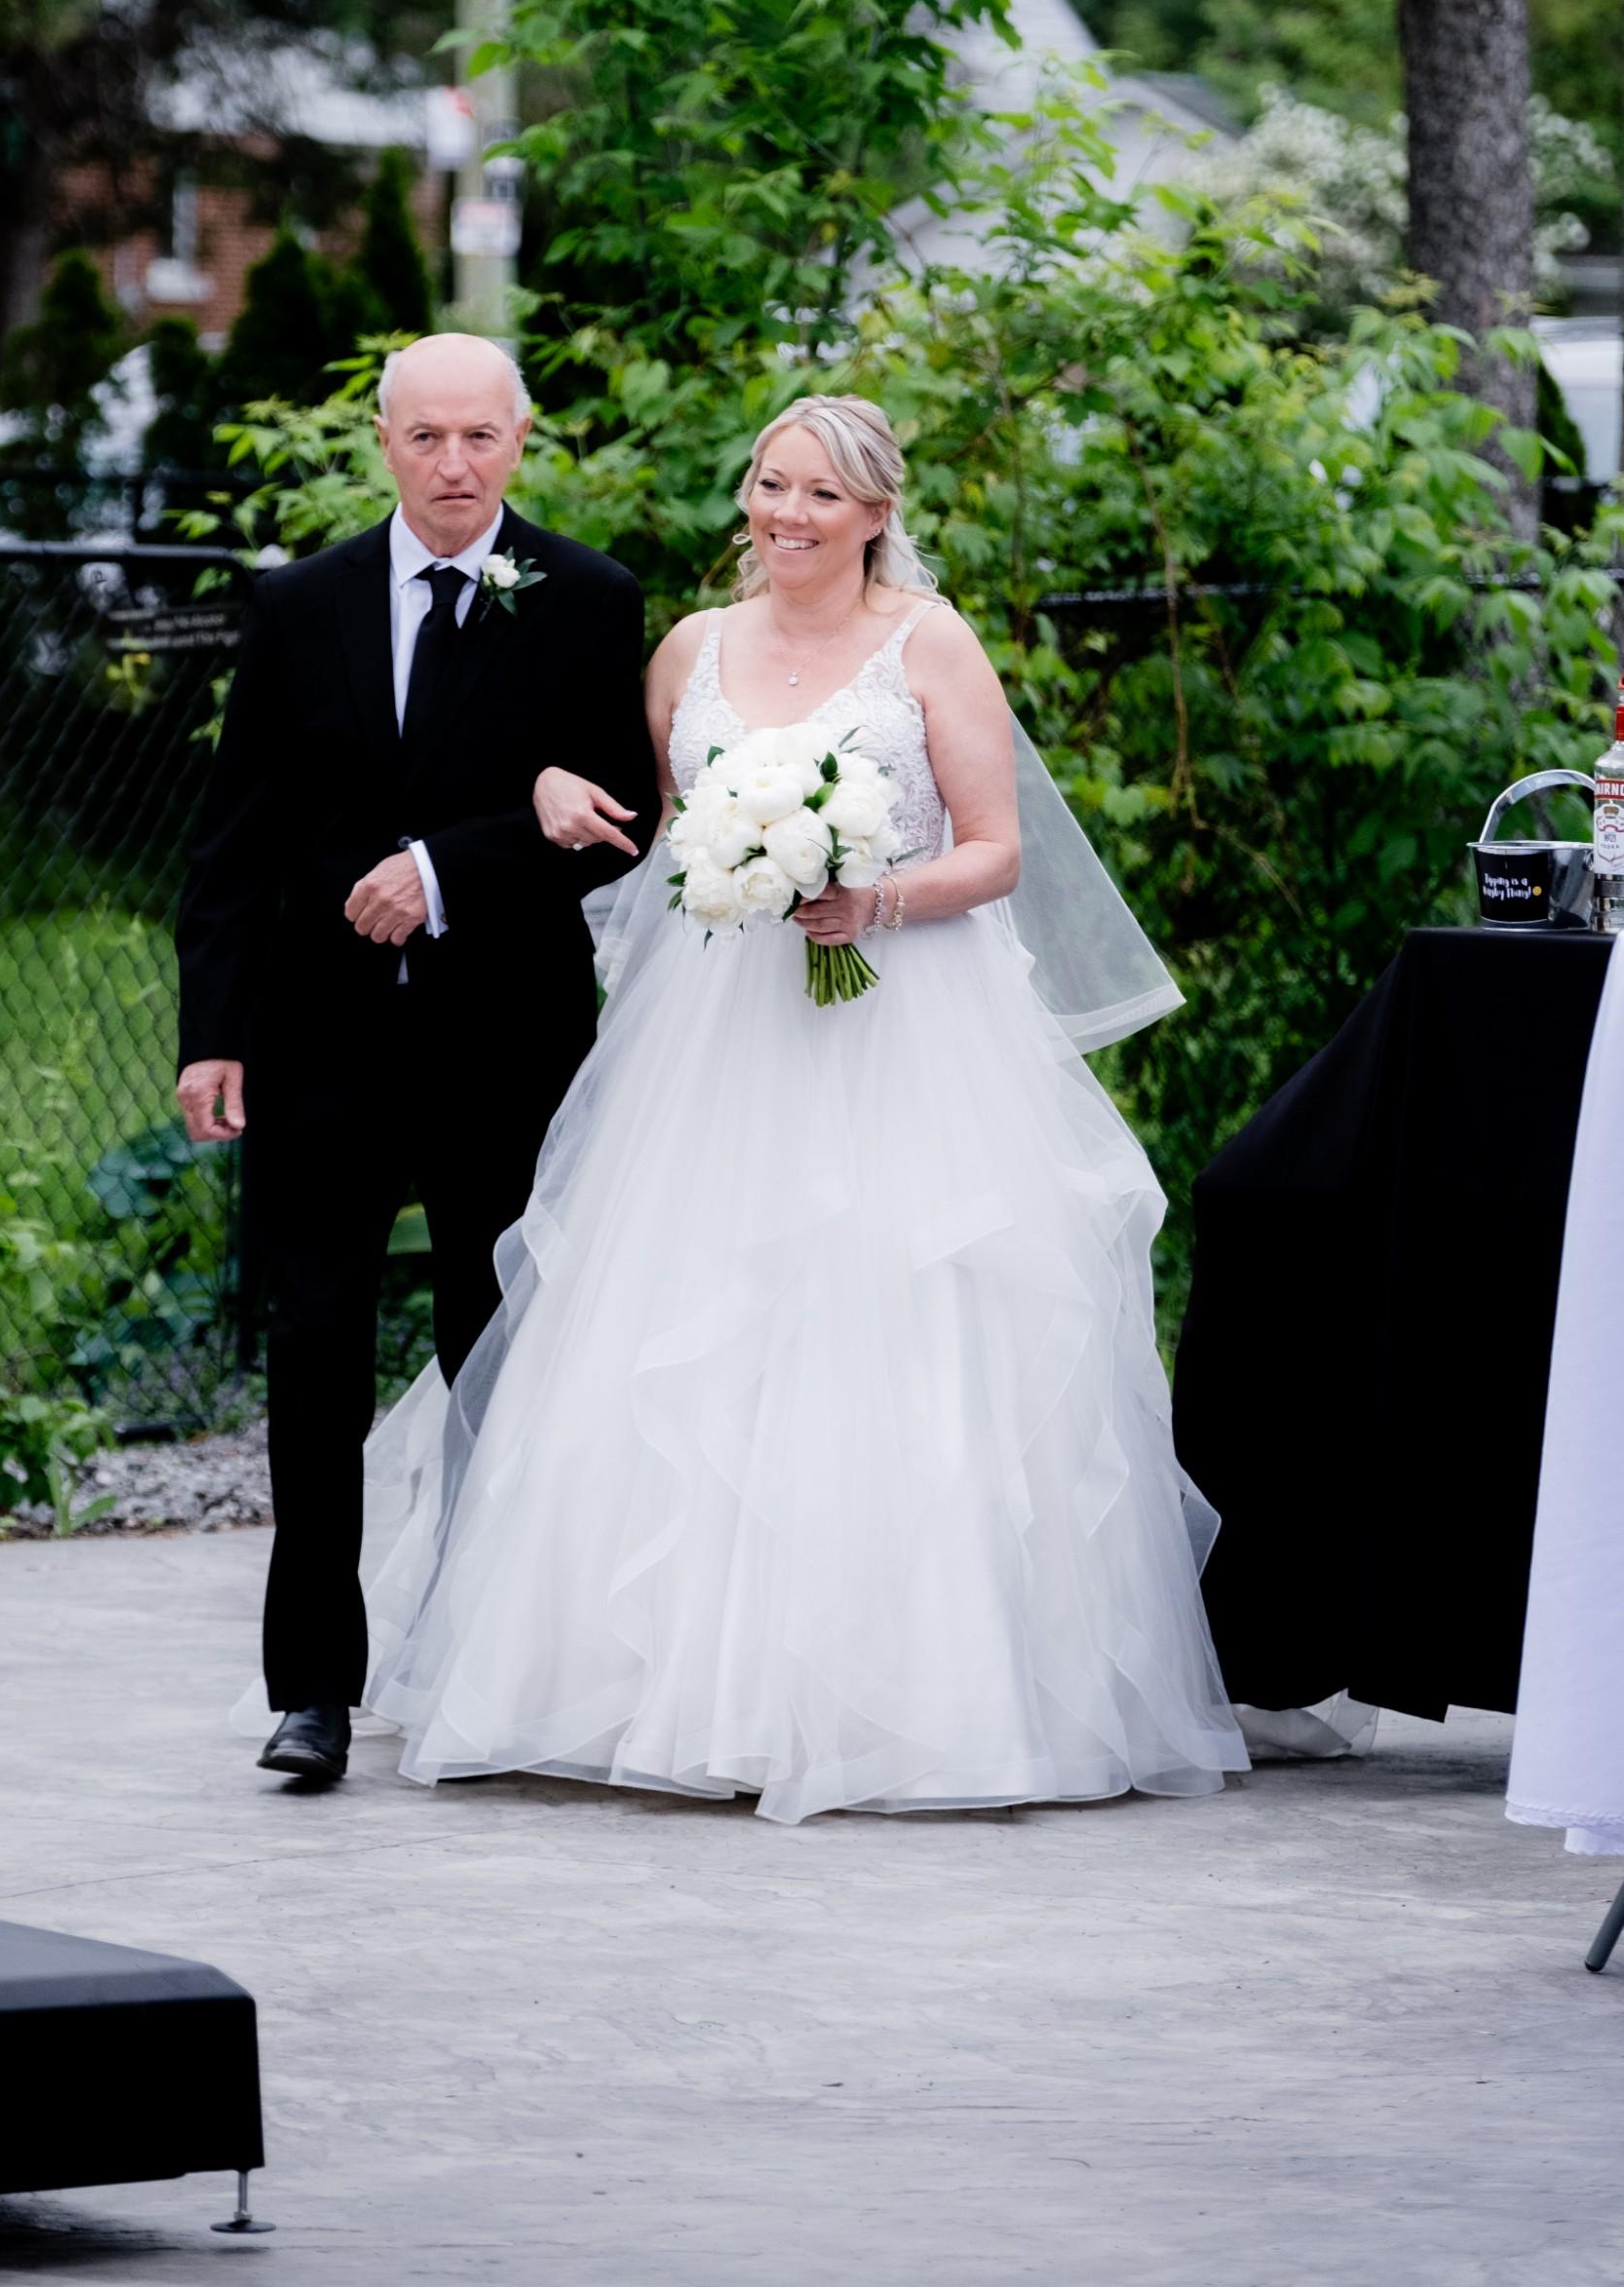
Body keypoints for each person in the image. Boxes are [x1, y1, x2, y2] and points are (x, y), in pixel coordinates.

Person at [354, 396, 1249, 1824]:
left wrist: (866, 895)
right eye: (772, 485)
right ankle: (653, 1689)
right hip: (714, 1037)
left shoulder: (931, 646)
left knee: (886, 1324)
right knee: (688, 1329)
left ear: (877, 513)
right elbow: (641, 828)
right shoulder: (689, 651)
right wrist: (556, 791)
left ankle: (915, 1699)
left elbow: (999, 852)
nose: (789, 515)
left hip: (907, 1028)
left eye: (823, 495)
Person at [175, 331, 657, 1785]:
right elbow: (234, 840)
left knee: (495, 1349)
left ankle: (493, 1669)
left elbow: (622, 812)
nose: (455, 466)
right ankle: (312, 1690)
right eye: (427, 438)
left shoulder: (585, 599)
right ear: (383, 443)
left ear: (524, 442)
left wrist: (444, 871)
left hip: (505, 1041)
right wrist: (212, 1033)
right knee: (312, 1351)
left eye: (481, 439)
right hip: (319, 1044)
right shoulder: (298, 606)